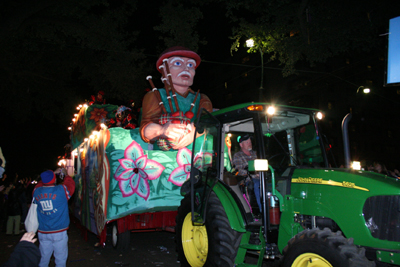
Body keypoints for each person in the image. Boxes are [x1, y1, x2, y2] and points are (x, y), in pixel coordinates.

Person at [140, 46, 213, 150]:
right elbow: (145, 129)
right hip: (163, 158)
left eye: (190, 65)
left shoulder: (202, 99)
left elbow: (208, 124)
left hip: (196, 159)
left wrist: (193, 133)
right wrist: (162, 130)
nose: (186, 68)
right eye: (177, 63)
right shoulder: (154, 95)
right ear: (164, 70)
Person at [33, 170, 75, 267]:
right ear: (54, 179)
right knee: (60, 259)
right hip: (59, 231)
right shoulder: (61, 190)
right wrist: (66, 174)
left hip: (43, 231)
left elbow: (38, 185)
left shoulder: (36, 191)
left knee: (43, 259)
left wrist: (45, 178)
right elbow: (71, 184)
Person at [232, 134, 262, 214]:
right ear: (241, 145)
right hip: (248, 180)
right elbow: (239, 170)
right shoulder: (237, 155)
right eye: (247, 142)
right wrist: (254, 173)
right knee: (258, 184)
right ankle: (262, 211)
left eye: (250, 141)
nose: (249, 143)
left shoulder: (256, 154)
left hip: (261, 177)